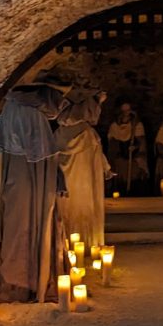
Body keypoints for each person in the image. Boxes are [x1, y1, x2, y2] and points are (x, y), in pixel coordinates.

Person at [0, 81, 69, 303]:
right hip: (26, 180)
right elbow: (40, 152)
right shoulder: (28, 114)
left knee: (24, 223)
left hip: (25, 179)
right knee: (27, 224)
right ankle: (25, 281)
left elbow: (44, 154)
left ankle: (26, 279)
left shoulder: (15, 109)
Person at [56, 87, 111, 251]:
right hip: (86, 183)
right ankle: (87, 242)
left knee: (67, 208)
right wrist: (105, 168)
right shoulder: (88, 134)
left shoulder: (58, 134)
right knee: (84, 207)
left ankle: (65, 242)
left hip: (66, 183)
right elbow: (97, 155)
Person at [106, 102, 149, 195]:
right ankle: (119, 189)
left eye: (128, 111)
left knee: (137, 166)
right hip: (120, 155)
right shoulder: (114, 126)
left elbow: (141, 142)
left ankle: (135, 190)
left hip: (133, 156)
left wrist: (135, 147)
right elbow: (112, 143)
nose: (126, 113)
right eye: (123, 111)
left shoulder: (136, 125)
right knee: (118, 164)